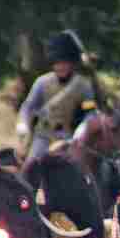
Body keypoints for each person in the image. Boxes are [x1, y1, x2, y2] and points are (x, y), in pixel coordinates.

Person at [16, 31, 98, 160]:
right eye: (57, 63)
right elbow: (28, 107)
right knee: (30, 167)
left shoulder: (83, 86)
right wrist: (23, 123)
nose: (60, 66)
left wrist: (83, 128)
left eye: (64, 63)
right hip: (43, 136)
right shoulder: (42, 82)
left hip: (69, 138)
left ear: (72, 63)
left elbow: (90, 111)